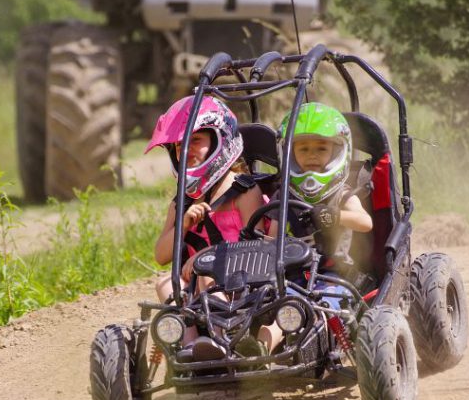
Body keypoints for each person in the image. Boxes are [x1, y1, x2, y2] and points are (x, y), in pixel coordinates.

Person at [248, 101, 372, 357]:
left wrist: (336, 216)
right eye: (303, 148)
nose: (312, 155)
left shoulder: (343, 194)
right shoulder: (283, 197)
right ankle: (259, 351)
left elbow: (365, 222)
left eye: (321, 147)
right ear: (290, 153)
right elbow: (273, 240)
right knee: (286, 309)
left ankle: (323, 347)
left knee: (324, 307)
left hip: (335, 275)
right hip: (294, 276)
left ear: (338, 151)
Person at [146, 95, 265, 356]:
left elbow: (259, 247)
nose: (185, 151)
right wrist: (184, 224)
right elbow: (161, 255)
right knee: (164, 283)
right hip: (195, 289)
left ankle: (222, 338)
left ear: (219, 141)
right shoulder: (181, 203)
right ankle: (190, 345)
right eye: (178, 147)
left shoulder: (244, 191)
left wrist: (207, 257)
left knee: (207, 273)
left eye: (195, 141)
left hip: (241, 281)